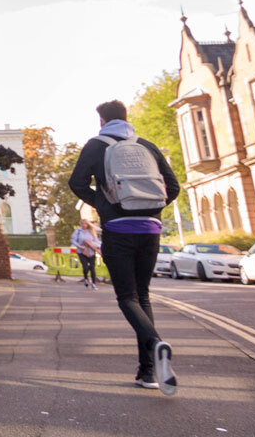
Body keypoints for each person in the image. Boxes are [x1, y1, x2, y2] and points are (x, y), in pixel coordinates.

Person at [68, 100, 182, 394]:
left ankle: (155, 343)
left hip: (118, 230)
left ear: (102, 121)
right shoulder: (147, 145)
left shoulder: (96, 145)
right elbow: (174, 187)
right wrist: (151, 209)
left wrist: (107, 207)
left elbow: (77, 183)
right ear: (126, 118)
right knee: (143, 296)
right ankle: (148, 373)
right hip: (150, 230)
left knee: (126, 297)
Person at [71, 219, 101, 288]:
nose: (84, 225)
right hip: (81, 251)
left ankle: (94, 283)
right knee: (85, 267)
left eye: (85, 224)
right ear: (80, 224)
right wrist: (79, 246)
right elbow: (73, 240)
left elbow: (96, 241)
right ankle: (86, 279)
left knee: (92, 268)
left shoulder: (91, 231)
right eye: (82, 224)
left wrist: (91, 244)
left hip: (91, 252)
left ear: (88, 224)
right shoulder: (78, 231)